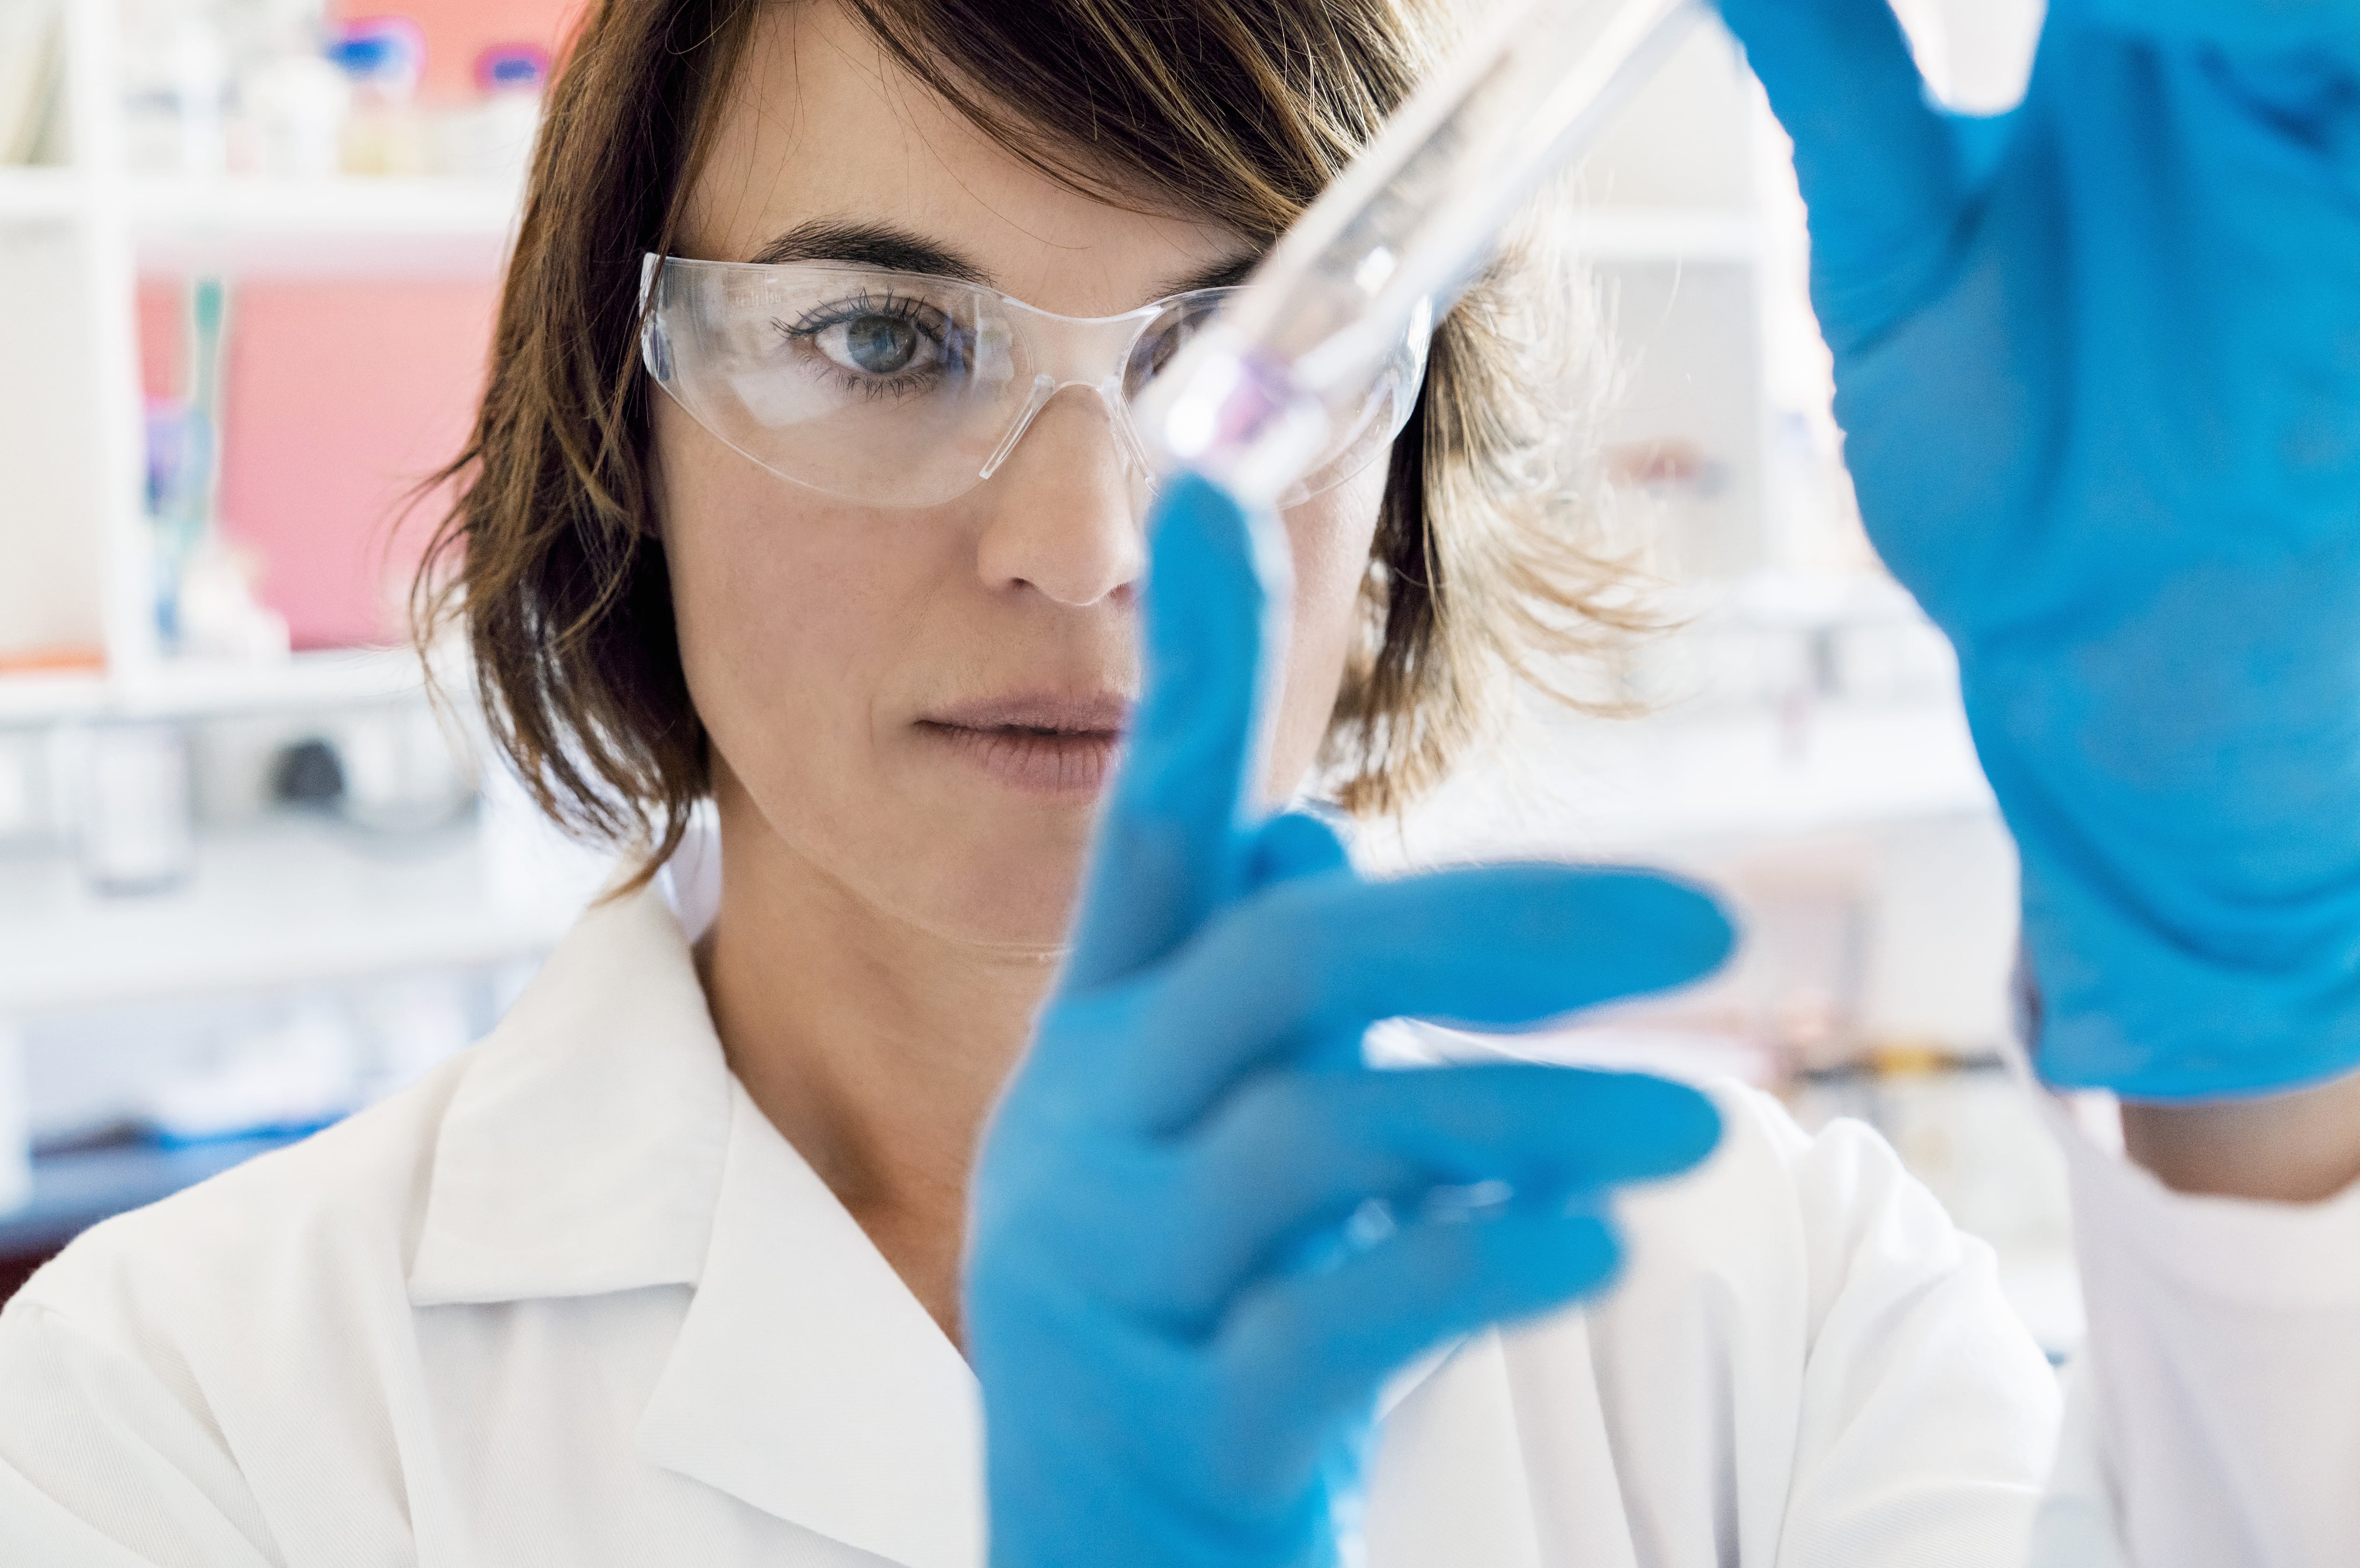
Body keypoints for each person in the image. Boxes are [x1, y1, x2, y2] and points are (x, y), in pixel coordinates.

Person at [2, 0, 2355, 1564]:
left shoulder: (1769, 1306)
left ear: (1399, 448)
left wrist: (2267, 1037)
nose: (1079, 544)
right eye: (879, 336)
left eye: (1251, 345)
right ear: (622, 419)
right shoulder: (183, 1407)